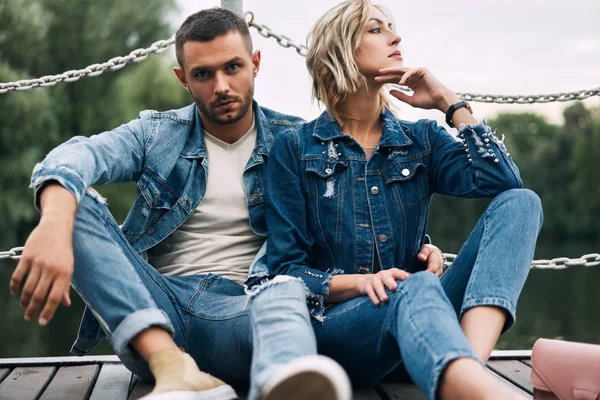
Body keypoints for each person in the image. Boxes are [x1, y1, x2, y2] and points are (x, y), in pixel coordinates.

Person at [8, 8, 353, 400]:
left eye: (233, 67)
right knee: (73, 201)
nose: (221, 86)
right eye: (203, 74)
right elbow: (76, 156)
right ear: (183, 79)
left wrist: (417, 248)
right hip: (155, 311)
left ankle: (279, 380)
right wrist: (54, 221)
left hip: (245, 309)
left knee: (285, 292)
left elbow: (355, 212)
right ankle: (172, 365)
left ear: (255, 64)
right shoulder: (157, 133)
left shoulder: (297, 141)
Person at [264, 1, 543, 399]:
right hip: (344, 332)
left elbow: (501, 179)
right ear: (340, 49)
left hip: (421, 314)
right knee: (410, 288)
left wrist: (450, 103)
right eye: (376, 29)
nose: (396, 37)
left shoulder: (421, 140)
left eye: (392, 27)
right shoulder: (294, 149)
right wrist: (363, 283)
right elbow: (287, 273)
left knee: (523, 202)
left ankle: (468, 370)